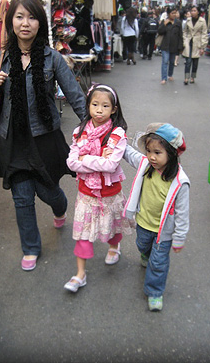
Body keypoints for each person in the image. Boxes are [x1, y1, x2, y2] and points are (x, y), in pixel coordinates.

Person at [0, 0, 86, 271]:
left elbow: (75, 96)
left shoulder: (52, 59)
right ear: (11, 22)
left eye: (31, 17)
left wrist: (97, 127)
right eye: (19, 17)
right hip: (13, 140)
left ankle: (60, 206)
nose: (25, 23)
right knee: (22, 197)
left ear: (40, 23)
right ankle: (30, 247)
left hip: (45, 139)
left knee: (48, 190)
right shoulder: (0, 58)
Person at [64, 83, 134, 293]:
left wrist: (85, 158)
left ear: (114, 109)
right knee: (82, 235)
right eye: (95, 105)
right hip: (86, 195)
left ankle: (114, 246)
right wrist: (95, 159)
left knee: (113, 228)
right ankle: (80, 274)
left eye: (105, 106)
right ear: (88, 106)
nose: (99, 110)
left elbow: (111, 165)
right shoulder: (79, 132)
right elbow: (71, 163)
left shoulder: (117, 134)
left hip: (110, 194)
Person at [123, 123, 190, 311]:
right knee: (142, 245)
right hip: (143, 223)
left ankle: (154, 292)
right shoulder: (146, 164)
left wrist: (179, 238)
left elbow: (183, 213)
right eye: (149, 151)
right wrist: (118, 142)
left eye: (158, 152)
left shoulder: (180, 182)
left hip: (164, 233)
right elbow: (130, 155)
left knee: (158, 263)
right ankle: (145, 254)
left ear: (172, 153)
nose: (151, 156)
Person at [182, 5, 208, 85]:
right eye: (192, 11)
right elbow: (185, 31)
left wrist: (203, 46)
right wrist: (185, 39)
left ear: (198, 12)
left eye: (194, 11)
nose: (192, 12)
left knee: (195, 61)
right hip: (189, 41)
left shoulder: (202, 21)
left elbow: (204, 33)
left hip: (197, 42)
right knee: (188, 61)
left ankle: (193, 77)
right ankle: (186, 77)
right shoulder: (188, 20)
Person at [158, 6, 183, 84]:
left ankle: (170, 74)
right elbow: (160, 31)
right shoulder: (164, 22)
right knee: (165, 61)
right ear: (168, 14)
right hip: (165, 45)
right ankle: (164, 78)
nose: (174, 15)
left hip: (174, 45)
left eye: (175, 13)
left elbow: (180, 35)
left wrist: (180, 47)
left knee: (172, 61)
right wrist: (164, 24)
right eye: (172, 13)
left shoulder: (178, 23)